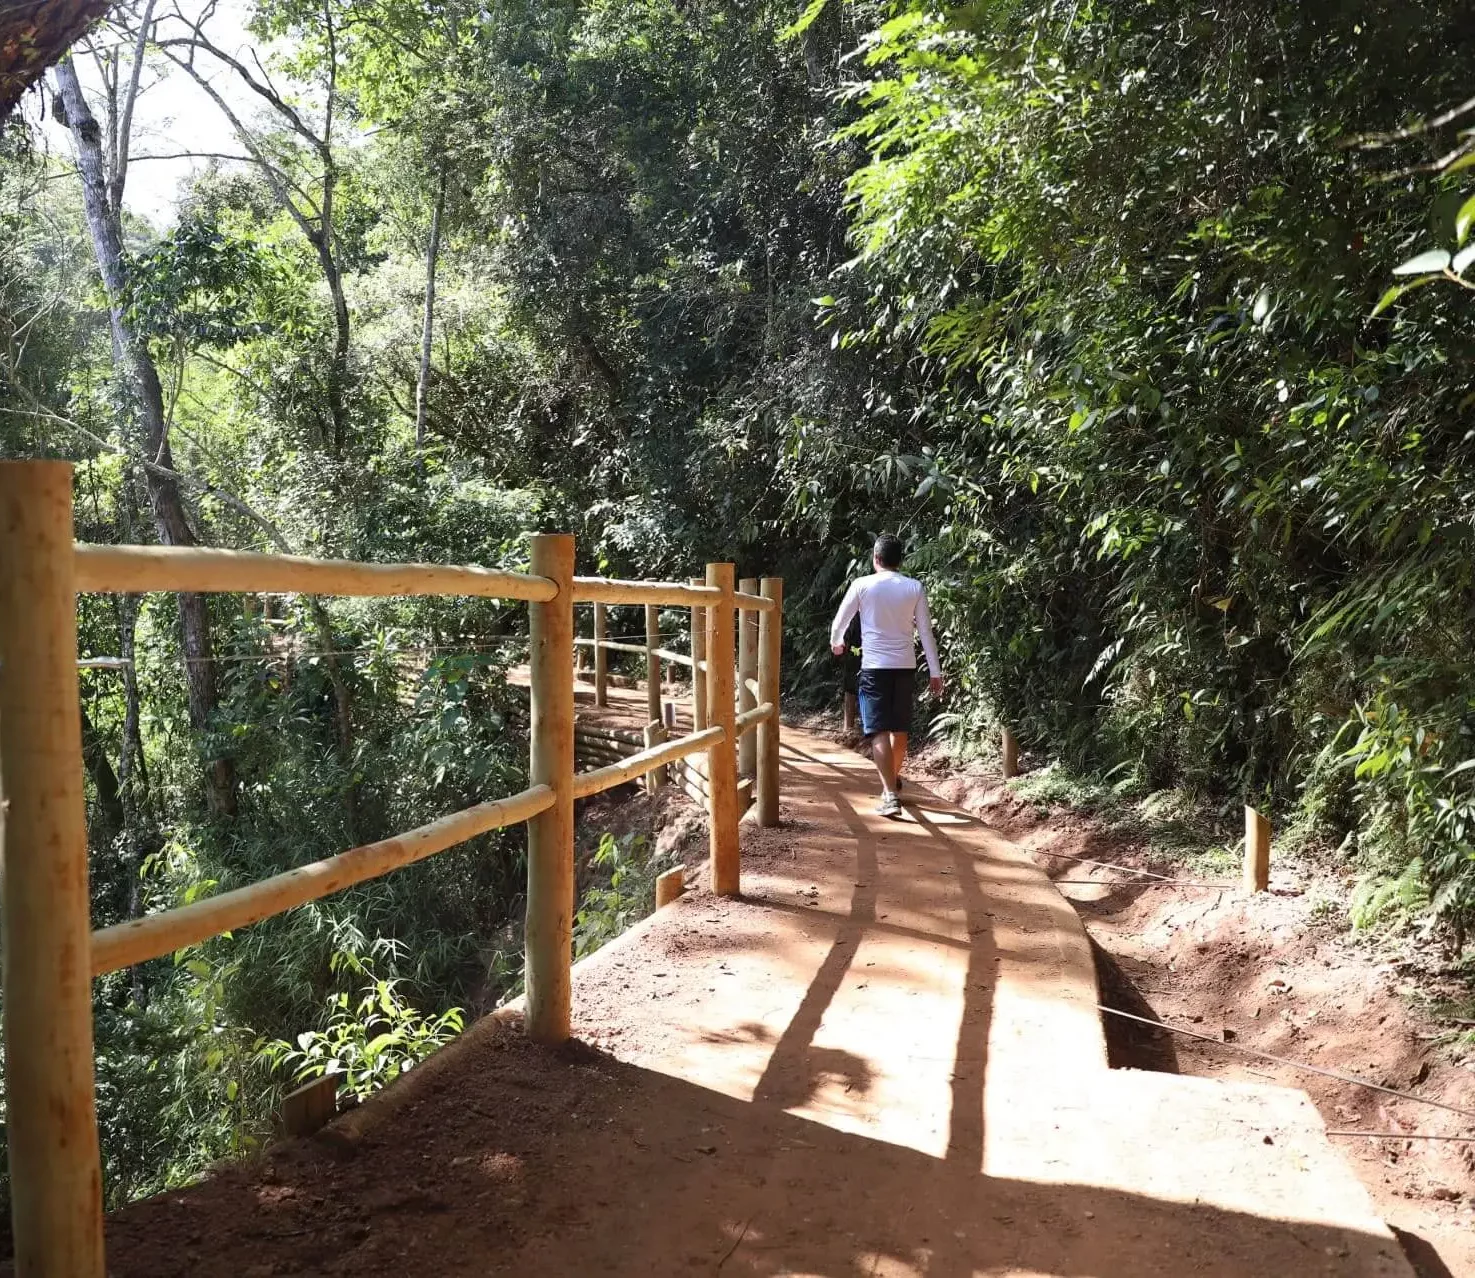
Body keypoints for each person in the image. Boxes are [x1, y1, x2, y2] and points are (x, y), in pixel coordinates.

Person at [829, 533, 943, 816]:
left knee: (878, 730)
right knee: (899, 729)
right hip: (905, 666)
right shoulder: (914, 587)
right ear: (900, 560)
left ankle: (890, 794)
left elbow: (840, 621)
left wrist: (837, 642)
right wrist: (935, 671)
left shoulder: (862, 585)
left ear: (875, 559)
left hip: (874, 667)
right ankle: (891, 781)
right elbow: (926, 632)